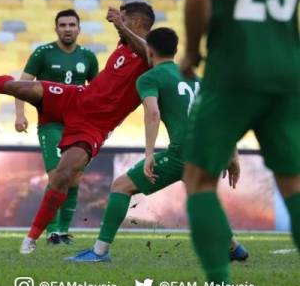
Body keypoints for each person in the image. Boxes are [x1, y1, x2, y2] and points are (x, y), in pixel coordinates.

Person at [0, 1, 155, 254]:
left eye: (124, 19)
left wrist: (121, 24)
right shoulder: (123, 44)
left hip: (94, 125)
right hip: (76, 97)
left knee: (63, 176)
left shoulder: (152, 55)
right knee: (19, 87)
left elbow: (148, 52)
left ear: (136, 22)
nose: (117, 25)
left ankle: (32, 238)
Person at [180, 0, 300, 286]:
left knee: (198, 180)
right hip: (287, 69)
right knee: (293, 186)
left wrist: (192, 50)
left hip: (233, 69)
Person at [65, 27, 248, 263]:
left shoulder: (149, 78)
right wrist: (233, 155)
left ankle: (99, 252)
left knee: (121, 186)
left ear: (149, 51)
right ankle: (233, 247)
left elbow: (152, 112)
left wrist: (149, 154)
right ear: (175, 49)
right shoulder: (196, 78)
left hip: (183, 152)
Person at [14, 9, 99, 245]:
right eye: (63, 25)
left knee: (75, 177)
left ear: (79, 28)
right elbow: (21, 85)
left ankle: (62, 230)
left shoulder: (89, 58)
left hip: (78, 126)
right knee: (56, 177)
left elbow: (98, 93)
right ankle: (51, 231)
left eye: (72, 25)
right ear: (56, 29)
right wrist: (20, 114)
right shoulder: (43, 53)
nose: (68, 29)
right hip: (50, 125)